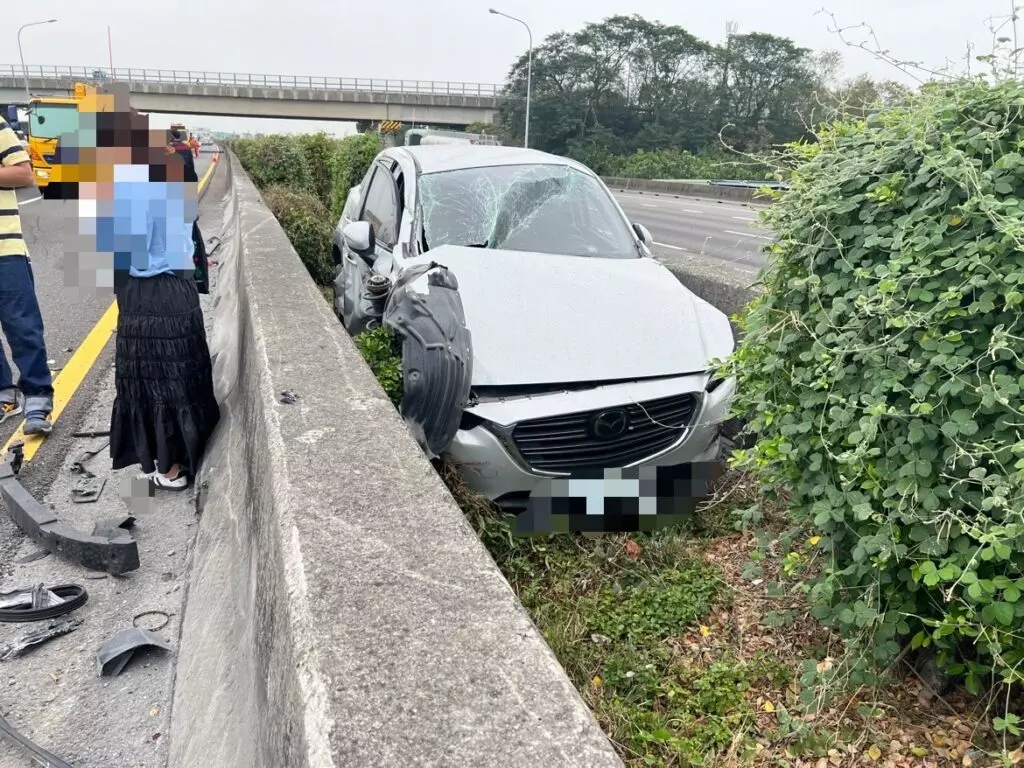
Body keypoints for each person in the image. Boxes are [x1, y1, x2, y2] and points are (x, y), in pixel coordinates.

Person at [106, 124, 219, 490]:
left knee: (149, 381)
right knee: (181, 377)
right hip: (179, 289)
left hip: (147, 294)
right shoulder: (178, 178)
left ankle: (168, 466)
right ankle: (179, 459)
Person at [0, 117, 54, 435]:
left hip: (5, 251)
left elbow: (24, 173)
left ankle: (38, 399)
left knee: (23, 328)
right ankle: (5, 396)